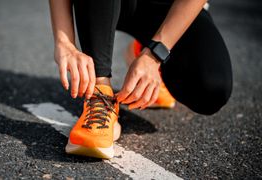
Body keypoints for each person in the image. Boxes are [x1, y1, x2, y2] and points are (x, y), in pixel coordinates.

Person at [48, 0, 233, 159]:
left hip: (169, 9)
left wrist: (154, 55)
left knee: (211, 89)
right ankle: (101, 95)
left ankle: (143, 51)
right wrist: (64, 41)